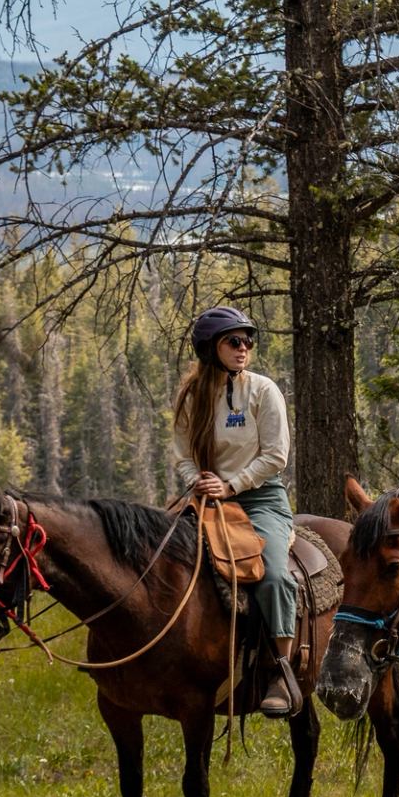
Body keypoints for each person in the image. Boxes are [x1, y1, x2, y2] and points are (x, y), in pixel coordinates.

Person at [171, 305, 302, 718]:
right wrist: (197, 480)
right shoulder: (192, 396)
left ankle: (282, 668)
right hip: (206, 497)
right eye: (234, 341)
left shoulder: (264, 391)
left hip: (260, 498)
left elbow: (276, 456)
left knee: (275, 575)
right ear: (212, 348)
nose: (243, 347)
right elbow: (181, 454)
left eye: (247, 340)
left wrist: (231, 484)